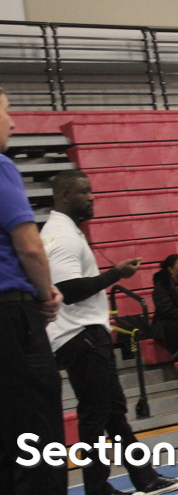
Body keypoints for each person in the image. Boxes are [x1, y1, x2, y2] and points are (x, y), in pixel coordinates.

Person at [43, 169, 178, 495]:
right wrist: (115, 275)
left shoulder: (68, 231)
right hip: (80, 336)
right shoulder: (62, 237)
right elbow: (68, 290)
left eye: (91, 190)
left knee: (113, 412)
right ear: (64, 195)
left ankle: (143, 477)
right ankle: (97, 487)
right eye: (84, 191)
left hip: (85, 334)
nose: (92, 197)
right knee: (95, 415)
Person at [0, 87, 66, 495]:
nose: (12, 122)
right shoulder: (1, 167)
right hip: (11, 315)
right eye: (6, 112)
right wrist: (46, 295)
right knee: (37, 434)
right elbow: (29, 247)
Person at [150, 253, 178, 356]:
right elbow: (167, 310)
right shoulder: (161, 288)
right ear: (171, 269)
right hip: (165, 323)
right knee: (175, 326)